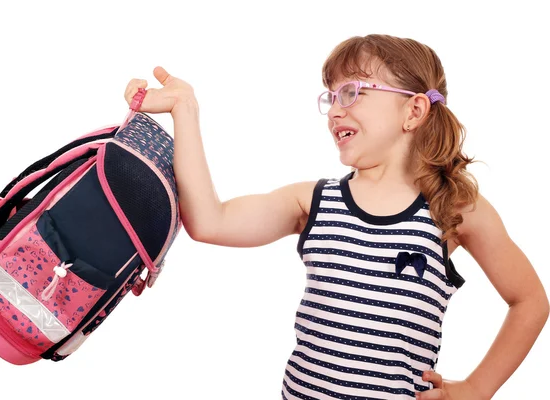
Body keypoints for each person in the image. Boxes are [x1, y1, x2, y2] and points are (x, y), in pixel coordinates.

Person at [123, 34, 549, 400]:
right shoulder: (313, 201)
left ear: (414, 111)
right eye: (331, 96)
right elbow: (210, 221)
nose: (333, 110)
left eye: (353, 92)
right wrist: (186, 110)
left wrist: (477, 388)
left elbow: (530, 302)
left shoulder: (454, 209)